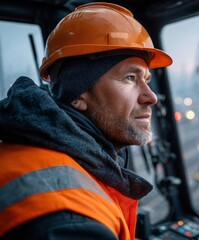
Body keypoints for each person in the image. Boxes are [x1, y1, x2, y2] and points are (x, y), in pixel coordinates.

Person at [0, 2, 172, 239]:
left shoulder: (49, 152)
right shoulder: (69, 222)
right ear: (78, 95)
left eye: (147, 79)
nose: (151, 96)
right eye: (130, 78)